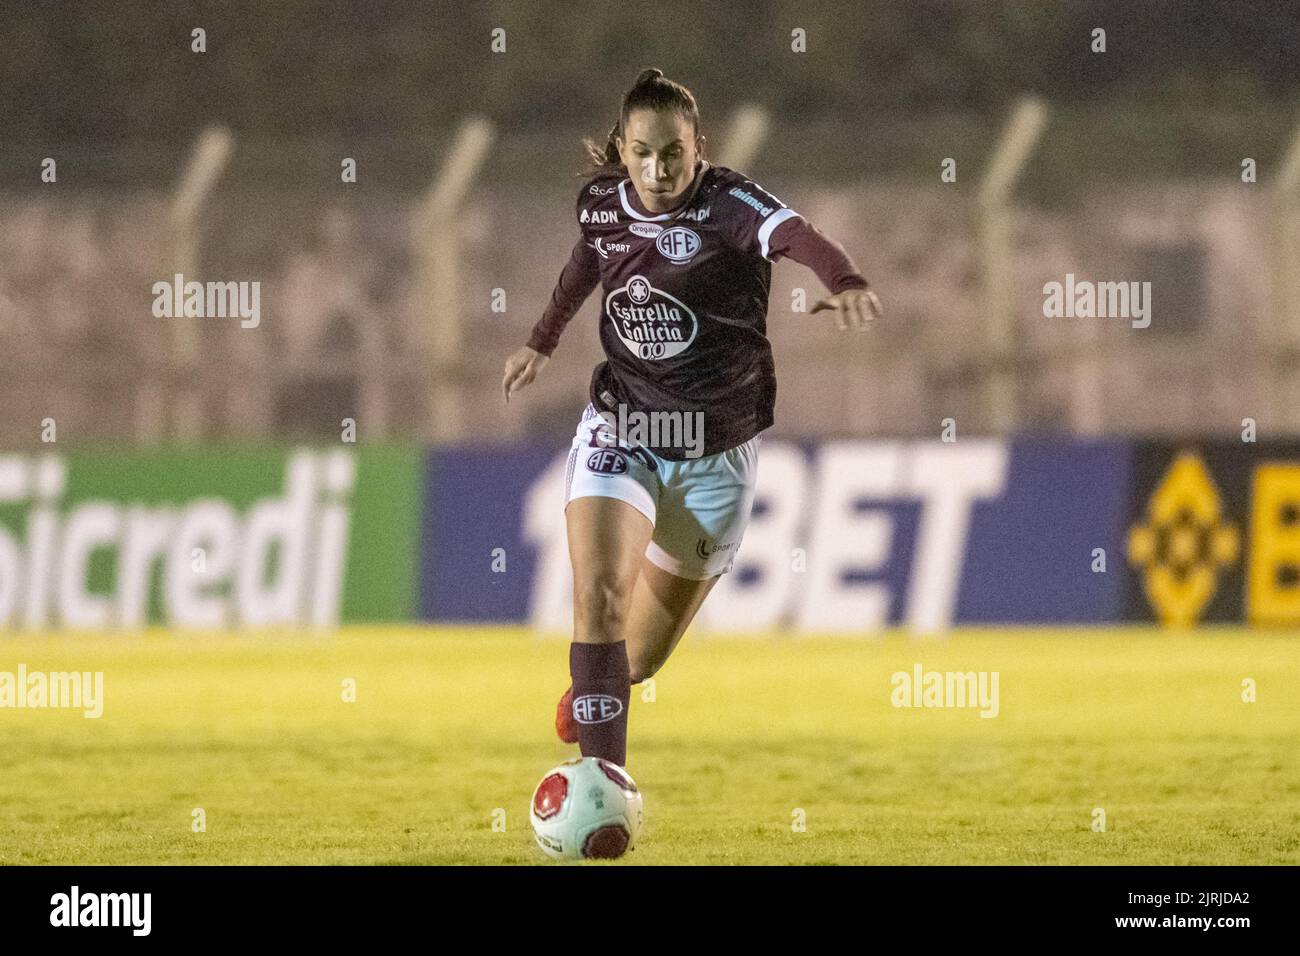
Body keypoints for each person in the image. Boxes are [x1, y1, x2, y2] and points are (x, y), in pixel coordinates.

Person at [502, 68, 881, 767]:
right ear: (622, 148)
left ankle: (600, 688)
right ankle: (602, 777)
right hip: (626, 426)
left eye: (672, 151)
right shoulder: (601, 204)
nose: (658, 167)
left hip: (716, 454)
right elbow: (585, 262)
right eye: (642, 151)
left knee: (639, 657)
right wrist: (541, 339)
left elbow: (799, 236)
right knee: (599, 597)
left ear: (697, 145)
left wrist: (845, 279)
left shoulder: (730, 204)